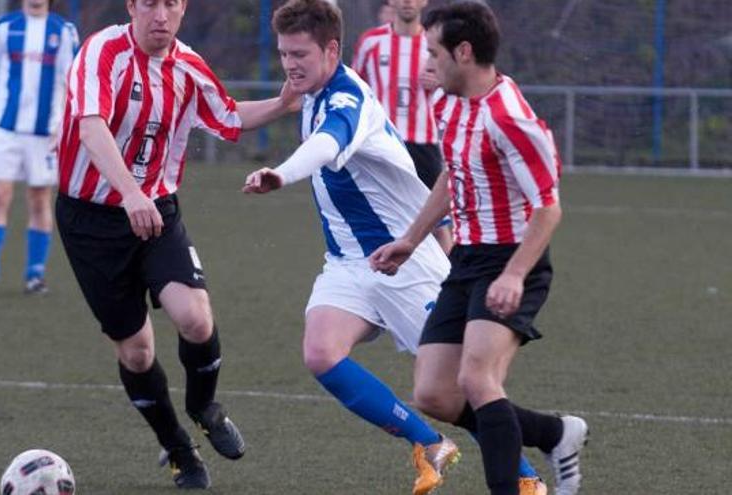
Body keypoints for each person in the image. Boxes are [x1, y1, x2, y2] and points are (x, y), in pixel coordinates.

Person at [55, 0, 298, 489]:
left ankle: (204, 405)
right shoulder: (100, 53)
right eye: (150, 3)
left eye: (171, 3)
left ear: (183, 9)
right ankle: (178, 448)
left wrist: (282, 102)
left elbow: (228, 114)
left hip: (157, 212)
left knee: (195, 317)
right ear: (132, 7)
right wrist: (128, 193)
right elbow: (90, 125)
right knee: (138, 354)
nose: (160, 15)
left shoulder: (187, 66)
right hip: (91, 222)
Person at [243, 1, 462, 494]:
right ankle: (428, 444)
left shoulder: (346, 98)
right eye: (283, 54)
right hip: (349, 263)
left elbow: (325, 144)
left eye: (300, 53)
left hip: (405, 262)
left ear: (332, 49)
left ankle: (527, 477)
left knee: (457, 390)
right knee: (321, 352)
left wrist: (281, 173)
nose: (290, 64)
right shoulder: (312, 91)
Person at [370, 3, 588, 495]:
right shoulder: (446, 104)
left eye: (433, 52)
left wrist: (514, 274)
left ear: (463, 52)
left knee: (477, 379)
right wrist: (410, 238)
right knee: (434, 393)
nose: (426, 64)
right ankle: (554, 434)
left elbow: (548, 207)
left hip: (513, 259)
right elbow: (453, 176)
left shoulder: (511, 119)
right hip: (466, 260)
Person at [0, 0, 79, 295]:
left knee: (39, 199)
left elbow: (74, 83)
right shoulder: (3, 27)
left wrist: (64, 126)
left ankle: (34, 274)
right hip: (5, 129)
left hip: (45, 134)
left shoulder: (63, 31)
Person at [352, 0, 453, 254]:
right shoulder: (371, 42)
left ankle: (452, 286)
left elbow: (460, 86)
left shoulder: (435, 44)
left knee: (438, 224)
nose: (408, 1)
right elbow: (355, 89)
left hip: (424, 143)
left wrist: (440, 81)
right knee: (376, 215)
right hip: (381, 144)